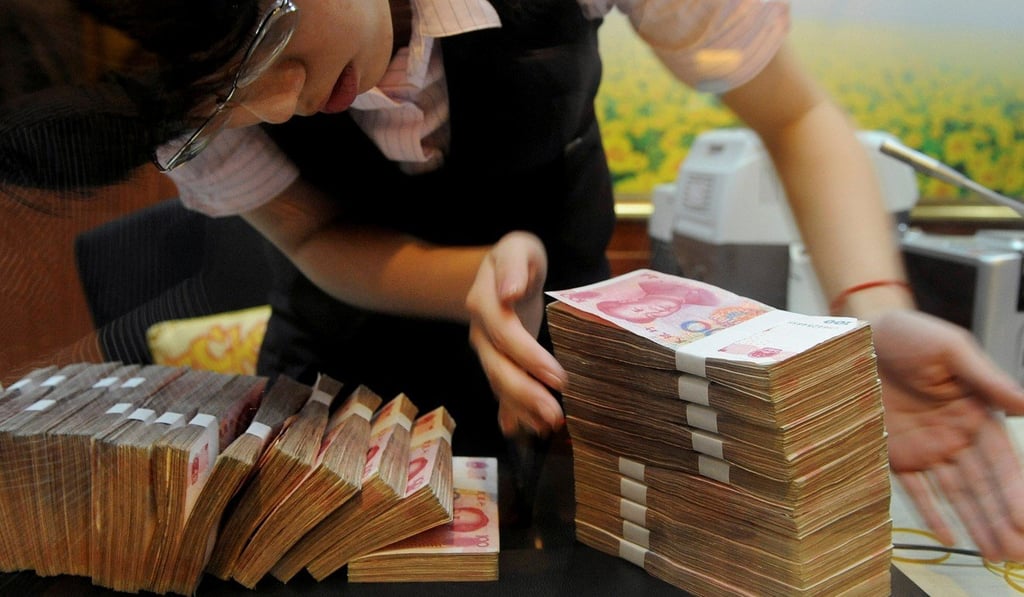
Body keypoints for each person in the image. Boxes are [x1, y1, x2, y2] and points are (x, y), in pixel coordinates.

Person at [3, 0, 1024, 562]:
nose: (278, 101)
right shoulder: (182, 88)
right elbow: (311, 232)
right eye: (219, 106)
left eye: (261, 45)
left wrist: (873, 311)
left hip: (578, 373)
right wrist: (472, 281)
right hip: (342, 365)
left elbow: (795, 117)